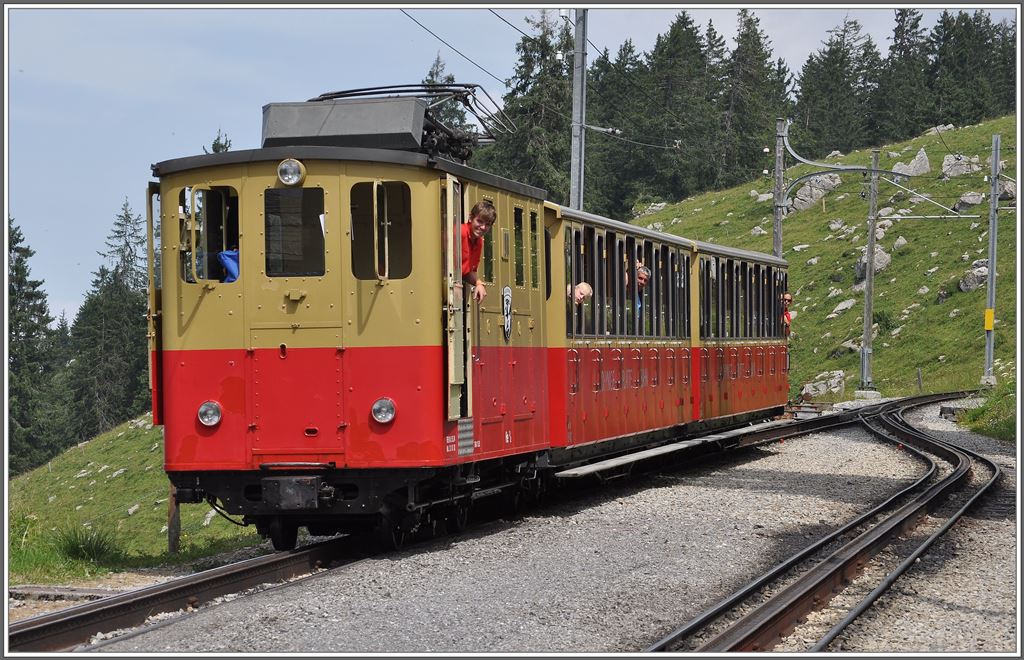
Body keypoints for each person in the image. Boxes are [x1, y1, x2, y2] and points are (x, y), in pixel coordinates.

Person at [462, 201, 497, 302]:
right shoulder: (459, 233)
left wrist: (478, 283)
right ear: (470, 218)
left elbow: (469, 271)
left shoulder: (479, 241)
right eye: (479, 221)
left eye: (487, 224)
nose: (483, 227)